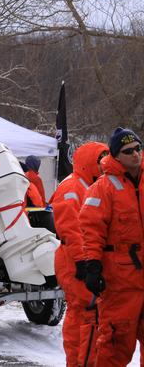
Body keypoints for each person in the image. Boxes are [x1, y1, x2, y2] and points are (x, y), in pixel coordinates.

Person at [79, 128, 144, 366]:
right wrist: (92, 264)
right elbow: (90, 228)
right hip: (120, 283)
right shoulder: (103, 188)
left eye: (138, 148)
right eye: (128, 151)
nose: (136, 154)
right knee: (114, 346)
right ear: (116, 156)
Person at [49, 142, 108, 367]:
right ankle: (79, 362)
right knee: (84, 313)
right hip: (73, 260)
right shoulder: (73, 187)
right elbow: (70, 228)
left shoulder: (90, 185)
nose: (103, 165)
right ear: (88, 162)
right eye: (99, 160)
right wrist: (83, 261)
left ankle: (83, 361)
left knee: (88, 314)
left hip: (80, 257)